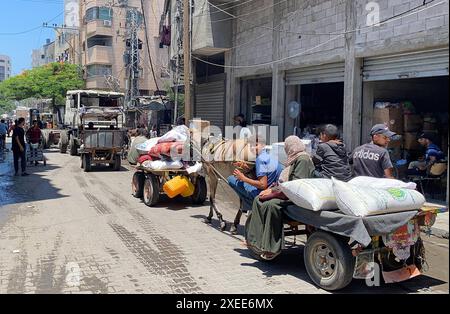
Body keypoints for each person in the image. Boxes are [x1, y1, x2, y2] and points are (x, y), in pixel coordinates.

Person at [245, 136, 315, 260]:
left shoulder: (303, 159)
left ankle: (273, 247)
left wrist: (273, 191)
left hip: (295, 198)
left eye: (287, 147)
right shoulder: (294, 159)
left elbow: (296, 184)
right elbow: (285, 180)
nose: (287, 150)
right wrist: (272, 189)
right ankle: (255, 241)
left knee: (270, 205)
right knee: (258, 199)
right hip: (286, 192)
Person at [228, 134, 283, 213]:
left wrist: (243, 178)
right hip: (273, 188)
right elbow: (264, 176)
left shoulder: (260, 159)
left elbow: (262, 185)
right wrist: (246, 168)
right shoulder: (269, 155)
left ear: (263, 145)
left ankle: (250, 204)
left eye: (256, 145)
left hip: (264, 192)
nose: (253, 148)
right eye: (251, 146)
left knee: (231, 179)